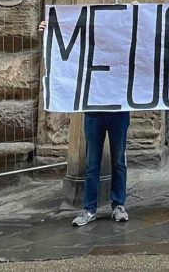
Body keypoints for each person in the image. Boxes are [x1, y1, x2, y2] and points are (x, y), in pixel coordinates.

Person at [39, 19, 131, 227]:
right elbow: (66, 53)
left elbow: (141, 42)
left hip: (119, 109)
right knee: (92, 162)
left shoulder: (122, 46)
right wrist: (49, 32)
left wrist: (136, 14)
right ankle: (89, 208)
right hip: (94, 110)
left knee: (118, 160)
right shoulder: (87, 48)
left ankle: (118, 204)